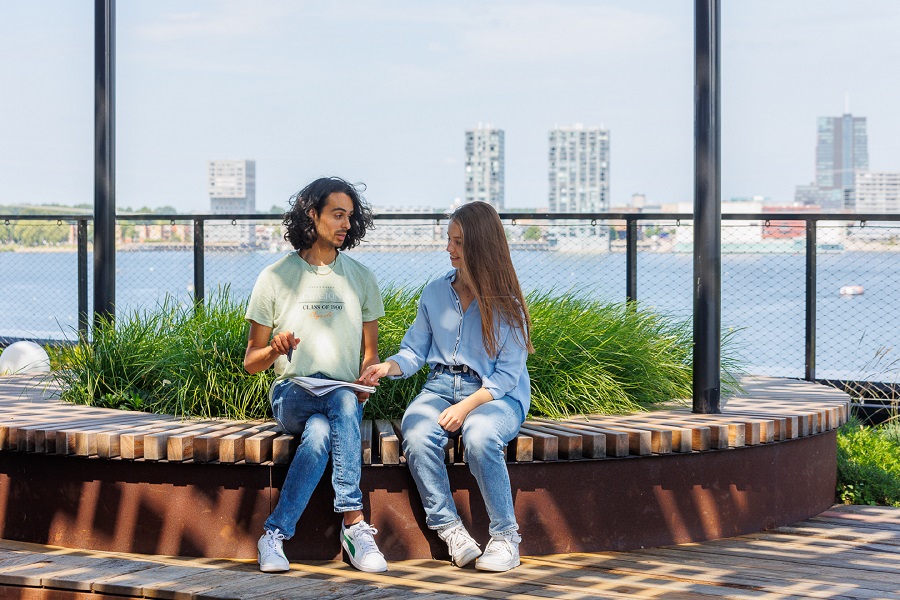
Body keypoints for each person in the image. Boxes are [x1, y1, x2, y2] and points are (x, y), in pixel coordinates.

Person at [361, 201, 533, 572]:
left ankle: (506, 538)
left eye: (457, 241)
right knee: (418, 432)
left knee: (480, 434)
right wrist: (387, 366)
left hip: (496, 395)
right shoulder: (435, 292)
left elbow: (506, 377)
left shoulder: (507, 304)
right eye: (449, 239)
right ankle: (452, 531)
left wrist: (467, 406)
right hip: (439, 386)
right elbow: (413, 351)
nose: (449, 248)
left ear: (481, 245)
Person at [244, 176, 387, 574]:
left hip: (341, 398)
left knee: (322, 431)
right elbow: (251, 362)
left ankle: (274, 535)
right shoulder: (275, 277)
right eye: (337, 215)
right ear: (313, 214)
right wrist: (275, 347)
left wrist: (365, 381)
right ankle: (354, 523)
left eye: (349, 217)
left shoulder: (361, 278)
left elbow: (370, 355)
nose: (345, 224)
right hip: (291, 394)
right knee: (337, 404)